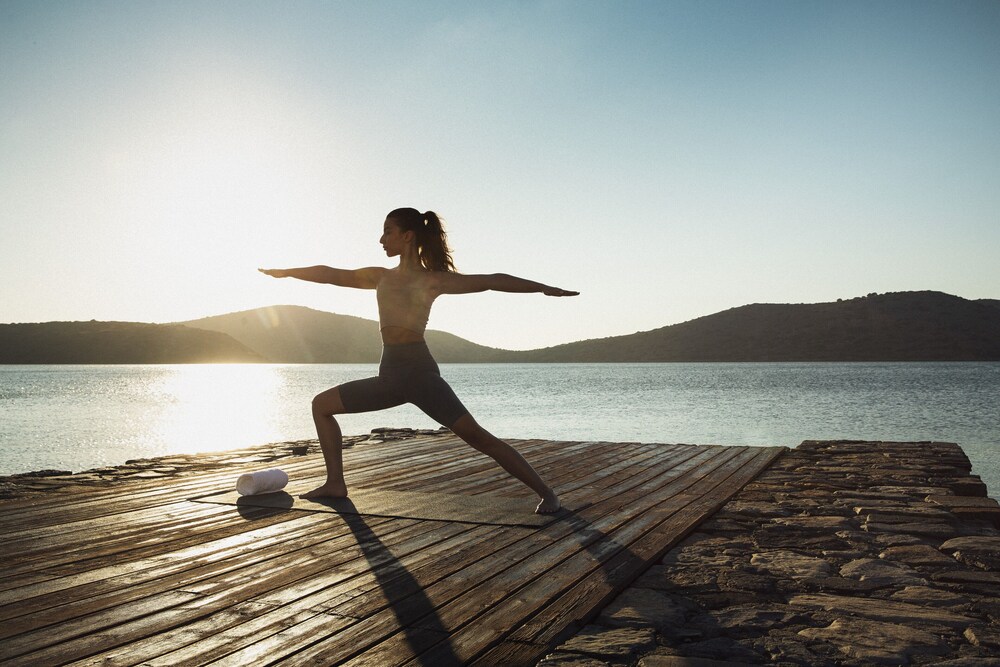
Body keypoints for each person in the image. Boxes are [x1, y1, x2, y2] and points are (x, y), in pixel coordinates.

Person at [259, 207, 578, 513]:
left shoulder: (433, 280)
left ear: (408, 236)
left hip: (421, 375)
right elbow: (332, 274)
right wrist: (288, 272)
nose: (382, 240)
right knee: (321, 405)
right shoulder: (380, 277)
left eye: (387, 232)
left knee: (478, 437)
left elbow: (492, 279)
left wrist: (542, 288)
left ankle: (547, 492)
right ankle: (335, 483)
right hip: (389, 376)